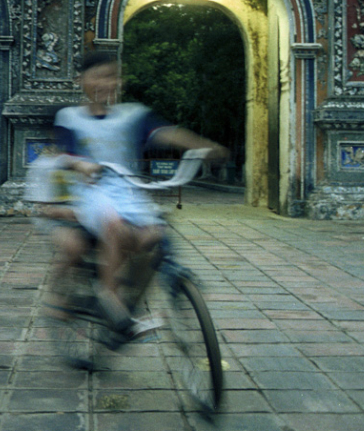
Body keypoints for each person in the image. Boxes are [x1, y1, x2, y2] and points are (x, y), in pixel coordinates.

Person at [51, 50, 230, 340]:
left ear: (119, 81)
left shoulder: (132, 115)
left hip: (127, 190)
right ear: (81, 80)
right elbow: (64, 155)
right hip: (92, 191)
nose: (106, 83)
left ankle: (129, 295)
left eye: (112, 76)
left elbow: (167, 133)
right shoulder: (70, 117)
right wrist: (79, 163)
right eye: (98, 76)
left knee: (153, 236)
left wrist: (203, 146)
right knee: (113, 224)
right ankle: (110, 298)